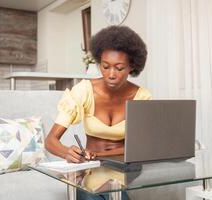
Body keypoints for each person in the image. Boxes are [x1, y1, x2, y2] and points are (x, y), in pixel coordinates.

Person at [45, 25, 152, 200]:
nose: (111, 74)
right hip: (90, 168)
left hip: (124, 169)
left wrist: (101, 155)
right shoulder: (84, 90)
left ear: (132, 66)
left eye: (119, 68)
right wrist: (66, 152)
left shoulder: (141, 96)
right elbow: (50, 141)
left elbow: (140, 149)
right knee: (91, 197)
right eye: (105, 66)